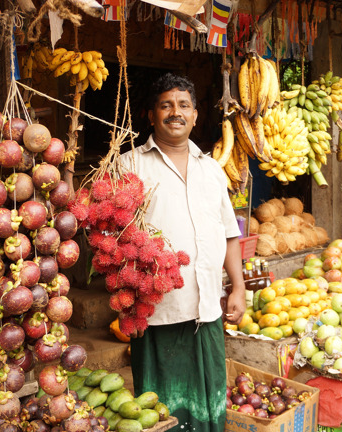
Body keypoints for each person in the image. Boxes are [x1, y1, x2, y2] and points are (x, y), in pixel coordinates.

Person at [118, 73, 246, 432]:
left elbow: (228, 233)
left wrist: (237, 287)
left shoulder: (211, 170)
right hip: (156, 306)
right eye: (166, 105)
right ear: (151, 114)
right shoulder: (130, 165)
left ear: (195, 115)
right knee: (159, 403)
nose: (176, 112)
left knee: (208, 395)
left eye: (184, 105)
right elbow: (112, 237)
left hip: (206, 305)